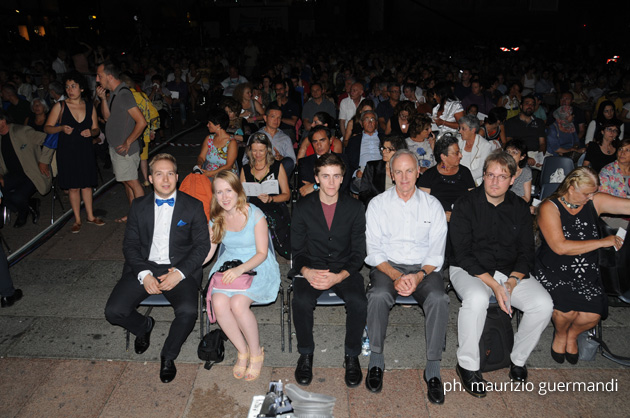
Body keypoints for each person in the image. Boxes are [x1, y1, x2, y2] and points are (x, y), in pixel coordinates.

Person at [449, 150, 553, 397]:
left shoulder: (520, 207)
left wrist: (512, 282)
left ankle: (518, 359)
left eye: (502, 176)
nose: (495, 182)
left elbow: (527, 252)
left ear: (513, 179)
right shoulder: (465, 203)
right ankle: (467, 365)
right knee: (477, 298)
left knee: (543, 304)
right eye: (490, 175)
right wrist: (495, 286)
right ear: (483, 176)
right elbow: (462, 253)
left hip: (508, 271)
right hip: (469, 270)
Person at [104, 154, 210, 383]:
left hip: (179, 268)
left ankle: (168, 355)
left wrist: (179, 273)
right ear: (150, 178)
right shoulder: (138, 206)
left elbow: (202, 246)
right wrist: (144, 275)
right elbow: (130, 245)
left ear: (177, 177)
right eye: (159, 174)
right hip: (145, 265)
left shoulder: (193, 206)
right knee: (113, 311)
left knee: (188, 312)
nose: (165, 179)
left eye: (170, 173)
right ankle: (143, 326)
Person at [365, 149, 449, 404]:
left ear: (418, 172)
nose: (404, 177)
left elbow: (436, 253)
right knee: (378, 295)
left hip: (424, 267)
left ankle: (433, 367)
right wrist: (395, 275)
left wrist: (419, 275)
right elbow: (374, 251)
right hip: (387, 266)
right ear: (391, 174)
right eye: (398, 171)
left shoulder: (432, 206)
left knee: (439, 298)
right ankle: (376, 359)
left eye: (409, 171)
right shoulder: (377, 204)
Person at [535, 167, 630, 365]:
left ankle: (573, 334)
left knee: (592, 315)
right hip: (554, 268)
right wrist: (602, 242)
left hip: (587, 269)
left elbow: (627, 206)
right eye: (587, 193)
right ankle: (561, 334)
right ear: (571, 187)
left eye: (593, 193)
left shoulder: (594, 200)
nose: (591, 197)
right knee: (566, 311)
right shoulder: (549, 207)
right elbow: (560, 247)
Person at [291, 153, 367, 388]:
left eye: (336, 176)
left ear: (343, 178)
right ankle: (305, 353)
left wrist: (339, 276)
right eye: (325, 176)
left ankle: (352, 355)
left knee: (358, 301)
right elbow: (296, 250)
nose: (331, 182)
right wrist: (306, 271)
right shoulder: (303, 207)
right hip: (312, 266)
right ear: (316, 178)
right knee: (301, 300)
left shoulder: (355, 208)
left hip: (343, 268)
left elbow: (359, 253)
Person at [204, 170, 280, 381]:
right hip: (229, 264)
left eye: (229, 190)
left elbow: (262, 253)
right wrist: (183, 268)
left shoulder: (254, 214)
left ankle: (256, 353)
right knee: (219, 303)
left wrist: (240, 269)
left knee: (238, 304)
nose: (224, 197)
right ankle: (242, 350)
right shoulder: (216, 218)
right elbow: (208, 253)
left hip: (256, 264)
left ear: (238, 191)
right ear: (214, 195)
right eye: (219, 192)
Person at [45, 71, 103, 233]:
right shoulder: (60, 106)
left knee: (87, 185)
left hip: (85, 150)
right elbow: (47, 128)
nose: (70, 90)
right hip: (67, 151)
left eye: (73, 86)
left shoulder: (89, 106)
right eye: (67, 87)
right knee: (73, 187)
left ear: (81, 88)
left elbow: (96, 129)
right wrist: (61, 128)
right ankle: (77, 219)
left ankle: (90, 216)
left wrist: (91, 132)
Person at [96, 61, 147, 223]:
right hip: (116, 148)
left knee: (133, 183)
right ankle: (133, 214)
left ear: (110, 76)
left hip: (125, 151)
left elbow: (142, 122)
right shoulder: (114, 93)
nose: (97, 79)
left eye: (100, 76)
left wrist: (128, 142)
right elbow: (107, 118)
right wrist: (103, 99)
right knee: (127, 183)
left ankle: (142, 217)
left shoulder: (124, 95)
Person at [240, 133, 291, 258]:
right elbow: (241, 195)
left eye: (261, 150)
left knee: (271, 217)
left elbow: (287, 195)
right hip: (253, 205)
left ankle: (281, 248)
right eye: (254, 150)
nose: (257, 154)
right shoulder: (246, 169)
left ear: (267, 150)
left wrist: (271, 198)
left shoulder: (277, 167)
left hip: (274, 204)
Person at [0, 109, 53, 227]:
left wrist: (44, 161)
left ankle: (23, 213)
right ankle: (29, 204)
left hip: (32, 173)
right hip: (13, 175)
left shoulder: (22, 131)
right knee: (3, 195)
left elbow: (49, 140)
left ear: (3, 121)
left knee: (17, 197)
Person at [418, 134, 475, 221]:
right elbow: (422, 206)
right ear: (443, 157)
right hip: (437, 221)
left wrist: (459, 215)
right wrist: (442, 216)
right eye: (456, 153)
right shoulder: (429, 176)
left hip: (463, 221)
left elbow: (474, 201)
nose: (461, 155)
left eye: (459, 152)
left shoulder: (465, 172)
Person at [298, 126, 351, 197]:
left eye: (322, 140)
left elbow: (343, 186)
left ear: (330, 140)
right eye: (315, 142)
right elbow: (304, 190)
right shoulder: (304, 163)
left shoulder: (343, 159)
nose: (319, 145)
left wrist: (315, 186)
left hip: (339, 200)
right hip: (314, 201)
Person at [244, 104, 297, 176]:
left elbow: (293, 161)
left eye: (279, 118)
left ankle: (274, 180)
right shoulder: (255, 136)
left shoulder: (285, 138)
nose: (276, 120)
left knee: (289, 162)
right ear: (265, 118)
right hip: (259, 171)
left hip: (278, 173)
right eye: (273, 117)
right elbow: (245, 160)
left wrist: (281, 158)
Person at [359, 135, 409, 206]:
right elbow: (363, 193)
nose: (384, 152)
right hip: (378, 206)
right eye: (383, 148)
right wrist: (378, 204)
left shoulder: (406, 169)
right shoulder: (372, 167)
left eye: (389, 149)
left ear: (399, 151)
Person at [345, 110, 382, 192]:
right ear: (361, 123)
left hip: (381, 172)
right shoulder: (354, 141)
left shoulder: (384, 139)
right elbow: (348, 162)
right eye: (366, 119)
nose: (370, 122)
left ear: (376, 123)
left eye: (372, 119)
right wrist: (356, 173)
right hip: (362, 173)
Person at [504, 95, 546, 168]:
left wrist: (540, 158)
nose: (530, 106)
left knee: (552, 166)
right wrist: (525, 157)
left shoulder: (539, 122)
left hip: (536, 154)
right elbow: (510, 143)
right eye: (527, 103)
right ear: (521, 106)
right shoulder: (511, 122)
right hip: (518, 154)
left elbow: (542, 143)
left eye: (532, 104)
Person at [196, 109, 238, 180]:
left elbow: (229, 165)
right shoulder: (209, 139)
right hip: (208, 173)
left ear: (218, 125)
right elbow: (201, 157)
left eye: (209, 123)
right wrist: (199, 164)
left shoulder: (231, 142)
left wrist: (211, 173)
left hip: (225, 176)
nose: (207, 125)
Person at [457, 114, 494, 186]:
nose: (459, 131)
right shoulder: (458, 142)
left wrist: (461, 176)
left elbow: (482, 170)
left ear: (473, 130)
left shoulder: (485, 146)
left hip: (474, 182)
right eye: (459, 128)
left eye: (463, 129)